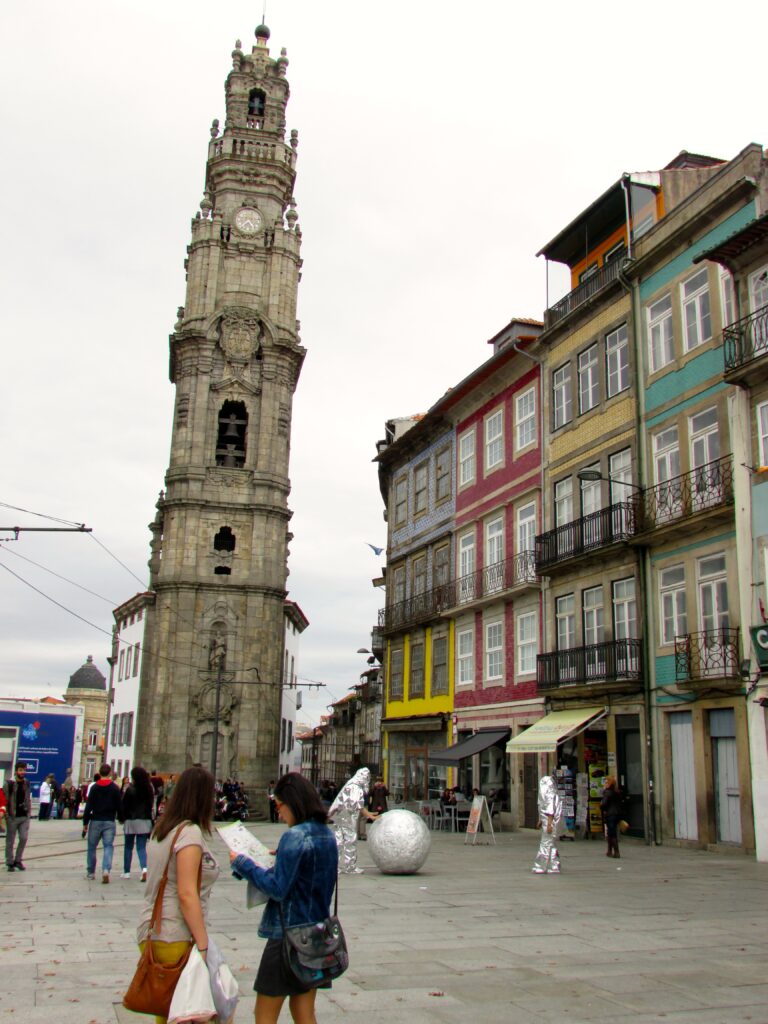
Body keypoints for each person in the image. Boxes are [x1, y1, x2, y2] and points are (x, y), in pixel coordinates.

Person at [230, 772, 338, 1024]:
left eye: (279, 805)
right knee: (304, 1012)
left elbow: (278, 888)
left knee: (264, 1014)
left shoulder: (294, 836)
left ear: (292, 802)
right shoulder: (326, 835)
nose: (278, 812)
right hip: (317, 936)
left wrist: (243, 863)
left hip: (286, 937)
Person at [136, 766, 219, 1024]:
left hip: (153, 930)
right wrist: (203, 944)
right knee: (193, 1014)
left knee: (170, 1012)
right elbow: (186, 893)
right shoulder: (189, 833)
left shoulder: (162, 829)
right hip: (175, 934)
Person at [328, 767, 376, 874]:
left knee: (338, 841)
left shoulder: (350, 784)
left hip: (339, 816)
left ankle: (334, 866)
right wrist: (369, 815)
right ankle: (350, 867)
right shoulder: (356, 787)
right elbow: (357, 805)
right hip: (347, 818)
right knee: (350, 840)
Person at [82, 762, 121, 883]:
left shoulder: (94, 788)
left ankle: (91, 872)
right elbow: (119, 805)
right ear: (109, 773)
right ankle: (105, 870)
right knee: (108, 846)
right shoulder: (115, 788)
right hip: (109, 820)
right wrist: (121, 817)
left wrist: (85, 823)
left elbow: (89, 806)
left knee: (92, 847)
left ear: (99, 773)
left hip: (96, 820)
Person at [120, 765, 155, 880]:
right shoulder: (149, 789)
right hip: (144, 821)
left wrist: (122, 818)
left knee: (128, 847)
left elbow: (124, 805)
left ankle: (126, 872)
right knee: (141, 847)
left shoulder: (130, 789)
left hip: (131, 821)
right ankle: (144, 868)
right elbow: (150, 806)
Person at [533, 771, 563, 874]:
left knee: (545, 843)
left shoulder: (551, 796)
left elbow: (550, 811)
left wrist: (549, 824)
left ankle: (541, 865)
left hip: (550, 822)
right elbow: (545, 808)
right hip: (548, 821)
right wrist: (541, 820)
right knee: (551, 844)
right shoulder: (552, 795)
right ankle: (555, 865)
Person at [4, 761, 32, 871]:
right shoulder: (9, 784)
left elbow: (27, 798)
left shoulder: (27, 783)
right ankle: (10, 862)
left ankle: (18, 860)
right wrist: (6, 815)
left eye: (24, 770)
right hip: (12, 816)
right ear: (16, 771)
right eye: (20, 770)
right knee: (10, 840)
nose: (23, 772)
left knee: (24, 838)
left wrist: (29, 813)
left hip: (24, 816)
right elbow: (4, 800)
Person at [601, 775, 624, 859]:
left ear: (609, 783)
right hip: (617, 814)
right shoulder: (617, 792)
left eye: (606, 782)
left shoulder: (607, 792)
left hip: (610, 814)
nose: (605, 783)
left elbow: (604, 804)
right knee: (611, 833)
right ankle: (609, 851)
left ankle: (616, 852)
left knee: (612, 833)